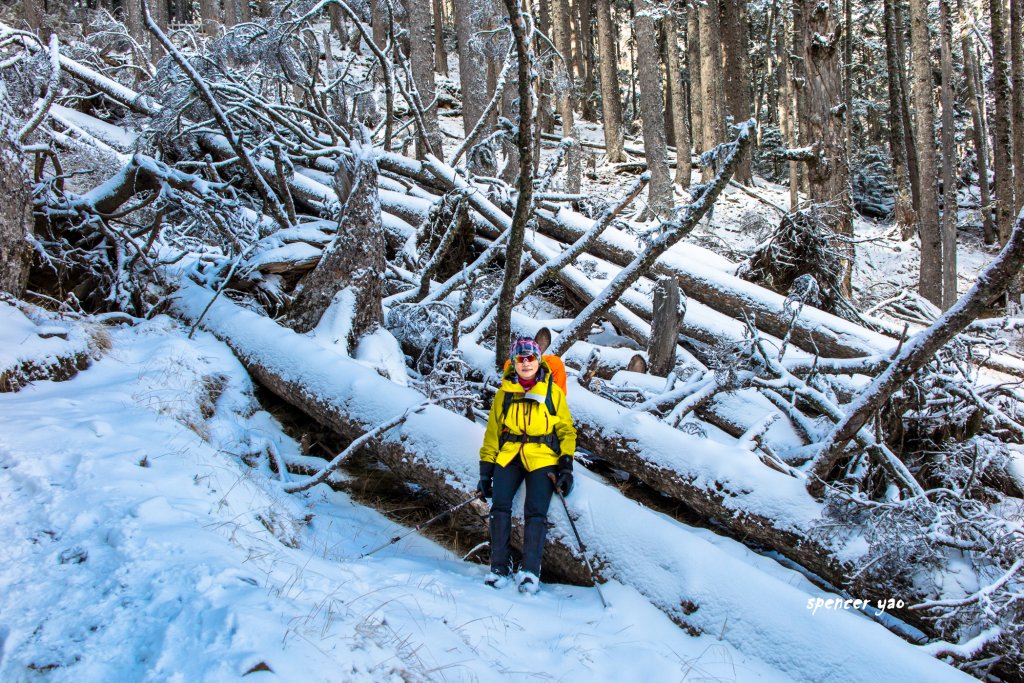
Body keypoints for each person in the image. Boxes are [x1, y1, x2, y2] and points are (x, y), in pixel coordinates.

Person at [477, 337, 577, 593]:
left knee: (536, 512)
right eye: (520, 359)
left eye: (530, 358)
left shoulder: (552, 392)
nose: (525, 363)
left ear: (538, 361)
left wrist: (566, 466)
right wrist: (486, 472)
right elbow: (492, 434)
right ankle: (499, 566)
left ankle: (530, 570)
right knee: (499, 507)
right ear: (514, 363)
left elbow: (566, 430)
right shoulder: (504, 393)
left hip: (543, 457)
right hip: (509, 455)